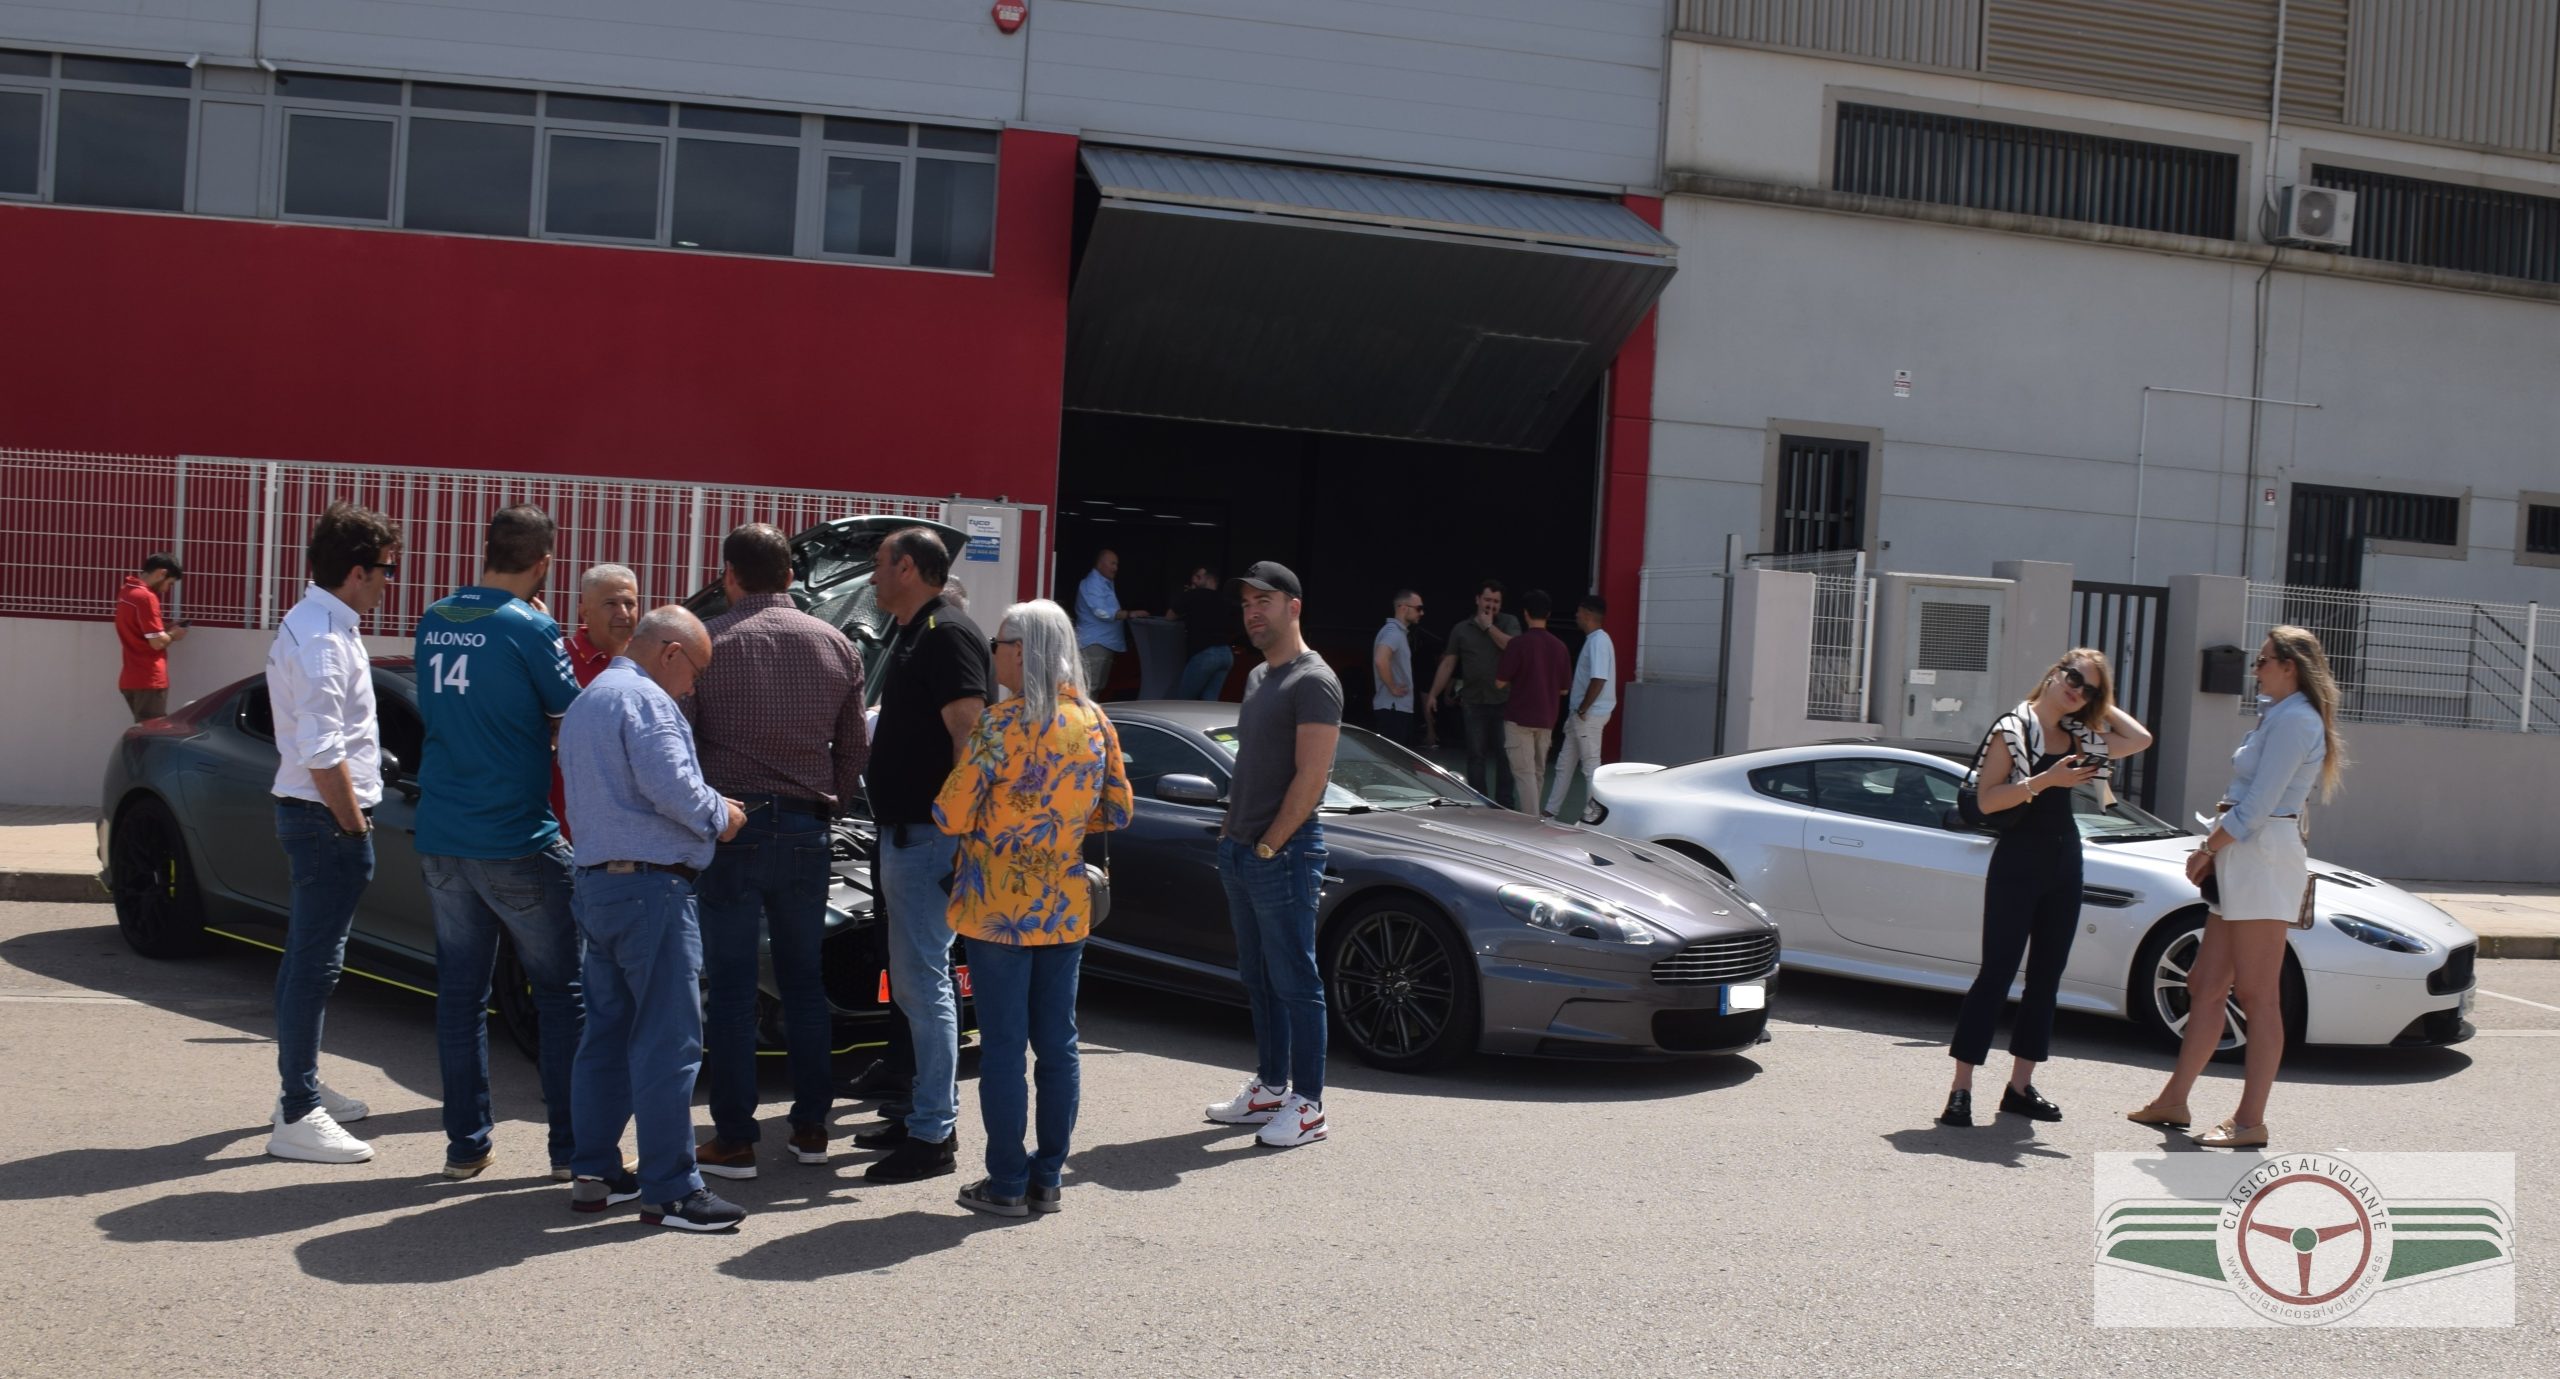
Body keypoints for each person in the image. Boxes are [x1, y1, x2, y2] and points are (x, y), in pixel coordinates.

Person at [933, 599, 1132, 1217]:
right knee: (1058, 1045)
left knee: (1002, 1049)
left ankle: (1006, 1182)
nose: (994, 655)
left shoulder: (1000, 724)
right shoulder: (1094, 720)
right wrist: (1059, 826)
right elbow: (1119, 811)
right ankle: (1048, 1178)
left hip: (996, 909)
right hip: (1063, 907)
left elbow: (950, 813)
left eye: (999, 644)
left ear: (1024, 650)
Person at [557, 606, 749, 1231]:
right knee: (669, 1041)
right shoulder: (647, 702)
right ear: (670, 651)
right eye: (696, 669)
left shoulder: (589, 700)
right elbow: (672, 787)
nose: (694, 685)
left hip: (598, 885)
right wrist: (722, 815)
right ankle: (670, 1190)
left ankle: (595, 1173)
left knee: (608, 1034)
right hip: (651, 889)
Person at [688, 523, 869, 1178]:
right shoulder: (838, 643)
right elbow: (853, 748)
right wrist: (832, 805)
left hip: (731, 825)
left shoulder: (708, 647)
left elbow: (684, 743)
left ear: (730, 576)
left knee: (732, 989)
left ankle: (734, 1137)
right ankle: (813, 1128)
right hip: (806, 829)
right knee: (803, 982)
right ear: (792, 576)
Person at [414, 506, 587, 1182]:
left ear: (486, 551)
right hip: (515, 834)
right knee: (561, 991)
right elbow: (572, 712)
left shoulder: (435, 617)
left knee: (461, 995)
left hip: (442, 833)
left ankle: (466, 1146)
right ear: (544, 561)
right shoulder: (530, 625)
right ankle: (573, 1148)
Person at [2129, 626, 2346, 1150]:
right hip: (2246, 855)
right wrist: (2217, 847)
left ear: (2290, 666)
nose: (2256, 669)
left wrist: (2208, 849)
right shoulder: (2281, 715)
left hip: (2261, 858)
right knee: (2205, 982)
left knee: (2257, 994)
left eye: (2265, 661)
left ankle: (2250, 1121)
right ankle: (2175, 1099)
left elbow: (2260, 804)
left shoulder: (2295, 720)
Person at [1939, 649, 2153, 1129]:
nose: (2077, 689)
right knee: (1995, 974)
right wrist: (2045, 780)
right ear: (2054, 671)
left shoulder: (2082, 735)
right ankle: (1960, 1089)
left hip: (2064, 862)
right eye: (2073, 677)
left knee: (2046, 979)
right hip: (2018, 861)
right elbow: (1990, 801)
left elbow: (2139, 739)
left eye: (2089, 688)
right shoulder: (2012, 729)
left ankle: (2019, 1087)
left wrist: (2098, 702)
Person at [261, 502, 402, 1164]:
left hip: (316, 817)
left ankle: (302, 1086)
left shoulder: (318, 621)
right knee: (315, 963)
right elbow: (322, 751)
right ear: (355, 571)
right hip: (324, 822)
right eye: (384, 570)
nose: (388, 581)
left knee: (310, 958)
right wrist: (353, 826)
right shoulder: (321, 636)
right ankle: (297, 1110)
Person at [861, 526, 992, 1183]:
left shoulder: (949, 633)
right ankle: (915, 1109)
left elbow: (969, 731)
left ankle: (934, 1133)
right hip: (904, 834)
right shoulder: (914, 632)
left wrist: (958, 832)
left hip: (928, 839)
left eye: (879, 565)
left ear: (907, 567)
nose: (873, 576)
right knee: (912, 985)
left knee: (924, 983)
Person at [1205, 561, 1342, 1149]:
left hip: (1283, 852)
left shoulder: (1314, 680)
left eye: (1265, 599)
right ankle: (1269, 1087)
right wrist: (1235, 835)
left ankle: (1308, 1105)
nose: (1253, 610)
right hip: (1243, 848)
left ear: (1295, 607)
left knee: (1296, 980)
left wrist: (1268, 843)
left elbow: (1313, 778)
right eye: (1246, 602)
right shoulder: (1261, 676)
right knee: (1258, 976)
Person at [1427, 579, 1520, 807]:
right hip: (1473, 702)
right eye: (1487, 599)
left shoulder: (1509, 622)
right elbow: (1449, 663)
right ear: (1477, 599)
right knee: (1475, 756)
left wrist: (1489, 627)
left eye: (1496, 601)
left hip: (1503, 701)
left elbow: (1514, 647)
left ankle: (1505, 804)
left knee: (1505, 756)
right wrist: (1433, 694)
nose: (1491, 605)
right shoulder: (1462, 629)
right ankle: (1481, 803)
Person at [1495, 590, 1571, 813]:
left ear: (1525, 614)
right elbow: (1564, 689)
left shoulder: (1518, 644)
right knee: (1537, 773)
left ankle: (1531, 825)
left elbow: (1500, 682)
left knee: (1524, 774)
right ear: (1548, 613)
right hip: (1547, 718)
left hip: (1519, 719)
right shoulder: (1560, 647)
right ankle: (1534, 820)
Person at [1544, 595, 1617, 822]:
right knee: (1566, 764)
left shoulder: (1597, 641)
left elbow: (1598, 679)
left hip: (1588, 715)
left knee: (1590, 768)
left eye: (1578, 611)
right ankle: (1550, 812)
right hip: (1584, 715)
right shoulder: (1598, 640)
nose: (1575, 616)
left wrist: (1583, 709)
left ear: (1586, 613)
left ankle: (1592, 819)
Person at [115, 553, 189, 722]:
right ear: (161, 573)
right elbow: (157, 643)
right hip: (149, 679)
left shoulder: (127, 591)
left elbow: (139, 630)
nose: (165, 590)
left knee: (144, 733)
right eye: (168, 584)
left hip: (131, 678)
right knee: (151, 736)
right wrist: (173, 634)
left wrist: (165, 628)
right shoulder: (146, 597)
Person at [1072, 548, 1146, 696]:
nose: (1115, 568)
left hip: (1103, 642)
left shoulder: (1104, 583)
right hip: (1094, 643)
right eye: (1112, 564)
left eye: (1117, 564)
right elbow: (1101, 611)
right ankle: (1083, 718)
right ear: (1100, 564)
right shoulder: (1092, 583)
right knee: (1089, 688)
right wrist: (1129, 614)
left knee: (1097, 687)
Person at [1169, 566, 1239, 701]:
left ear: (1208, 579)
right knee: (1209, 704)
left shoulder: (1192, 595)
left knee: (1182, 703)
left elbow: (1170, 616)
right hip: (1226, 654)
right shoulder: (1225, 599)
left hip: (1204, 653)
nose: (1194, 580)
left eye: (1198, 577)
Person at [566, 563, 639, 687]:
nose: (623, 614)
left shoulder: (648, 657)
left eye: (629, 603)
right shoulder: (563, 661)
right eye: (610, 604)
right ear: (585, 613)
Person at [1371, 590, 1423, 746]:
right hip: (1394, 708)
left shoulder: (1395, 632)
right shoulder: (1394, 632)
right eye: (1418, 608)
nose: (1421, 613)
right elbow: (1380, 659)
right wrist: (1392, 687)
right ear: (1403, 607)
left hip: (1394, 708)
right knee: (1394, 763)